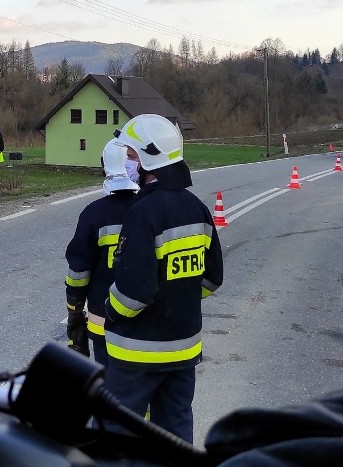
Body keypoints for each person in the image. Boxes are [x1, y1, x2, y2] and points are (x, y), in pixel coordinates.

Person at [102, 114, 224, 442]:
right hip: (184, 350)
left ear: (147, 159)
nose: (128, 162)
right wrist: (178, 297)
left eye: (130, 155)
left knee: (117, 437)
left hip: (137, 354)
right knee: (174, 435)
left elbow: (134, 293)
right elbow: (212, 278)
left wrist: (110, 313)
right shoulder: (198, 209)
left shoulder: (143, 213)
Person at [64, 140, 139, 366]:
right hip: (147, 327)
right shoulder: (152, 209)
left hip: (103, 324)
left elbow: (78, 273)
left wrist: (75, 317)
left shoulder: (94, 214)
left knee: (109, 392)